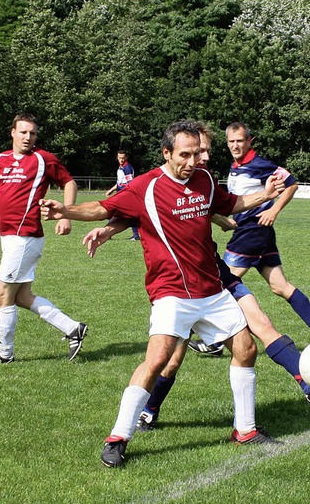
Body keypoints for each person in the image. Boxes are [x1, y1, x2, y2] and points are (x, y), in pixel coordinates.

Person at [41, 121, 286, 468]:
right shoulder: (146, 186)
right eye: (184, 155)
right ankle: (118, 437)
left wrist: (267, 193)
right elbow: (103, 207)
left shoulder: (204, 179)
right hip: (171, 291)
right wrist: (66, 210)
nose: (191, 161)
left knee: (246, 350)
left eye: (196, 154)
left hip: (212, 290)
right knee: (156, 360)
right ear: (167, 153)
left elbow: (232, 203)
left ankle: (245, 430)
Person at [84, 123, 310, 433]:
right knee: (172, 356)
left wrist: (240, 211)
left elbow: (216, 208)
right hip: (191, 276)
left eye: (205, 151)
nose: (203, 157)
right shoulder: (179, 178)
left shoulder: (202, 178)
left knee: (257, 325)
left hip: (213, 269)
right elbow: (141, 211)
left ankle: (306, 385)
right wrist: (108, 229)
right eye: (198, 150)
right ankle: (148, 412)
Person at [0, 113, 88, 364]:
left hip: (25, 236)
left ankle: (4, 355)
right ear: (13, 133)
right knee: (20, 297)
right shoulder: (0, 160)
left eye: (32, 133)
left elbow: (69, 182)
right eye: (23, 132)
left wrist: (66, 214)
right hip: (8, 236)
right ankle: (73, 328)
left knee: (2, 295)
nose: (28, 137)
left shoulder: (43, 159)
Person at [223, 122, 310, 341]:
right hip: (258, 234)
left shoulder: (259, 164)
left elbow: (291, 184)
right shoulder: (235, 166)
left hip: (252, 233)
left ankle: (216, 341)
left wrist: (274, 209)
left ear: (249, 141)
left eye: (239, 141)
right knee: (280, 286)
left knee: (222, 285)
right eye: (231, 141)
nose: (235, 145)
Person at [105, 150, 139, 240]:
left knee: (113, 211)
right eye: (120, 158)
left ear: (126, 158)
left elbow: (130, 183)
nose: (121, 160)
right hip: (120, 193)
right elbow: (120, 182)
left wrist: (127, 195)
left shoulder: (127, 168)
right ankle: (135, 235)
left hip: (124, 194)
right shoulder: (121, 167)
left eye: (123, 158)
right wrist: (111, 190)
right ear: (117, 158)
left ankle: (107, 233)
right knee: (116, 212)